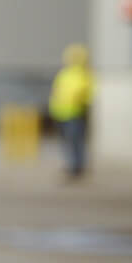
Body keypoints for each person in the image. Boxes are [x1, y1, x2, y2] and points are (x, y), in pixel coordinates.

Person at [48, 43, 93, 179]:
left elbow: (88, 95)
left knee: (75, 141)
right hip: (60, 113)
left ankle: (77, 166)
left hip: (75, 114)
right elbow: (56, 91)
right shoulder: (64, 74)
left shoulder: (85, 75)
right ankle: (70, 164)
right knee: (66, 141)